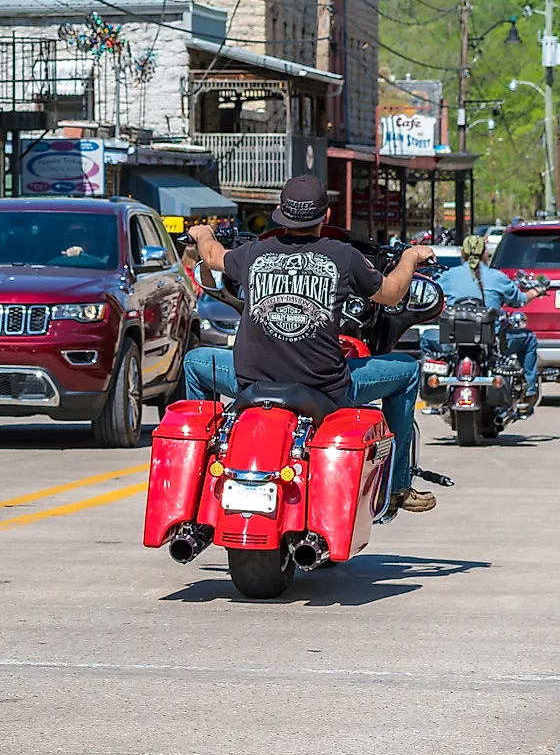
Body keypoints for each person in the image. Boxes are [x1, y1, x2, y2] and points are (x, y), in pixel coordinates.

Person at [181, 173, 438, 513]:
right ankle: (399, 486)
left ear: (279, 212)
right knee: (407, 370)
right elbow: (391, 294)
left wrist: (202, 233)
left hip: (250, 382)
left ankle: (198, 471)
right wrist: (410, 258)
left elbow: (212, 255)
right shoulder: (343, 257)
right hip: (324, 388)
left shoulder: (253, 253)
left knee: (194, 362)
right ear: (326, 216)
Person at [423, 231, 539, 395]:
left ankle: (433, 385)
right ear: (485, 254)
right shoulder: (498, 277)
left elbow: (432, 297)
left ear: (462, 254)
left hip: (449, 342)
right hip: (493, 343)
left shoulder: (447, 276)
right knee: (529, 339)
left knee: (427, 339)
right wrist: (536, 291)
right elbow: (520, 300)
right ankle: (529, 391)